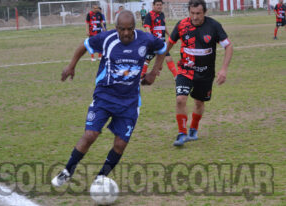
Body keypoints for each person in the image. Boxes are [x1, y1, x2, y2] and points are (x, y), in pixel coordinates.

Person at [51, 10, 166, 187]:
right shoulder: (106, 39)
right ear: (116, 27)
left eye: (129, 29)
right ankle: (67, 171)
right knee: (90, 134)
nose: (126, 33)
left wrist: (154, 72)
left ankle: (101, 177)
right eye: (122, 29)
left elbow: (162, 48)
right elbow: (84, 45)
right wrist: (71, 66)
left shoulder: (146, 39)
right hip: (104, 97)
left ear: (134, 27)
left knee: (120, 144)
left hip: (130, 101)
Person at [152, 0, 233, 146]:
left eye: (198, 14)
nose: (195, 17)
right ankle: (181, 133)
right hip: (185, 70)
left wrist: (224, 69)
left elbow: (228, 46)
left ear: (205, 12)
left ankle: (193, 129)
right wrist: (158, 64)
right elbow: (169, 44)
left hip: (205, 73)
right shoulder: (182, 25)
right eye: (192, 13)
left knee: (199, 102)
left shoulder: (214, 26)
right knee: (180, 99)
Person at [142, 0, 177, 79]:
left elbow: (164, 26)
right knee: (147, 60)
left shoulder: (162, 15)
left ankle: (176, 76)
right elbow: (147, 28)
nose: (159, 6)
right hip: (153, 42)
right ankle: (141, 76)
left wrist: (170, 35)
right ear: (153, 5)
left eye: (160, 5)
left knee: (168, 58)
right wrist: (151, 39)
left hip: (162, 43)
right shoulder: (149, 15)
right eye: (157, 5)